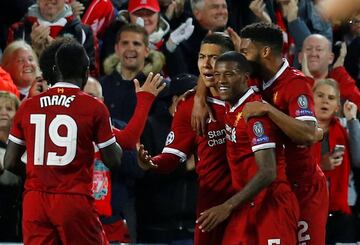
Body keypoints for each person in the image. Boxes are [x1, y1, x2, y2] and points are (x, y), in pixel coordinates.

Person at [1, 41, 122, 244]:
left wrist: (41, 175)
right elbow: (114, 160)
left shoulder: (28, 106)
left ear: (55, 70)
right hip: (73, 197)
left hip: (34, 200)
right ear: (85, 73)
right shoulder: (93, 106)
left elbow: (10, 162)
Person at [137, 33, 235, 245]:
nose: (206, 64)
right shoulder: (189, 106)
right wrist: (152, 163)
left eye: (214, 58)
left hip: (249, 204)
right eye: (202, 57)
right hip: (209, 209)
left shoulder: (250, 97)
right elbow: (172, 156)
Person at [238, 22, 328, 245]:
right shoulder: (255, 79)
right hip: (273, 188)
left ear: (265, 52)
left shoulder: (294, 83)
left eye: (245, 51)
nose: (242, 59)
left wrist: (268, 110)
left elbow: (307, 134)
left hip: (303, 187)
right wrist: (198, 96)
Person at [196, 51, 298, 244]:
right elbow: (211, 72)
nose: (221, 81)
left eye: (229, 74)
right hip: (245, 203)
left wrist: (226, 206)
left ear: (245, 78)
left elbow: (268, 171)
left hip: (271, 204)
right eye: (217, 75)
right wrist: (198, 97)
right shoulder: (231, 103)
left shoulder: (254, 113)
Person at [312, 78, 360, 243]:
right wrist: (320, 165)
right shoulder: (298, 129)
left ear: (337, 107)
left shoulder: (345, 129)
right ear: (311, 99)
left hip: (340, 213)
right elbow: (291, 168)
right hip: (309, 211)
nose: (325, 100)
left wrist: (353, 119)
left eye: (331, 98)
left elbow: (358, 159)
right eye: (320, 95)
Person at [7, 0, 97, 75]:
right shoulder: (17, 30)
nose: (50, 0)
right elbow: (10, 73)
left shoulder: (83, 32)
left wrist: (55, 53)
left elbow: (91, 75)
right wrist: (33, 51)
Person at [299, 33, 360, 110]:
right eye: (308, 49)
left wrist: (340, 75)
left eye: (319, 49)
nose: (313, 54)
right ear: (300, 57)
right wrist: (306, 82)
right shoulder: (289, 83)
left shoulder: (341, 82)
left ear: (330, 58)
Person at [0, 91, 22, 242]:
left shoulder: (24, 146)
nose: (3, 113)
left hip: (17, 215)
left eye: (8, 109)